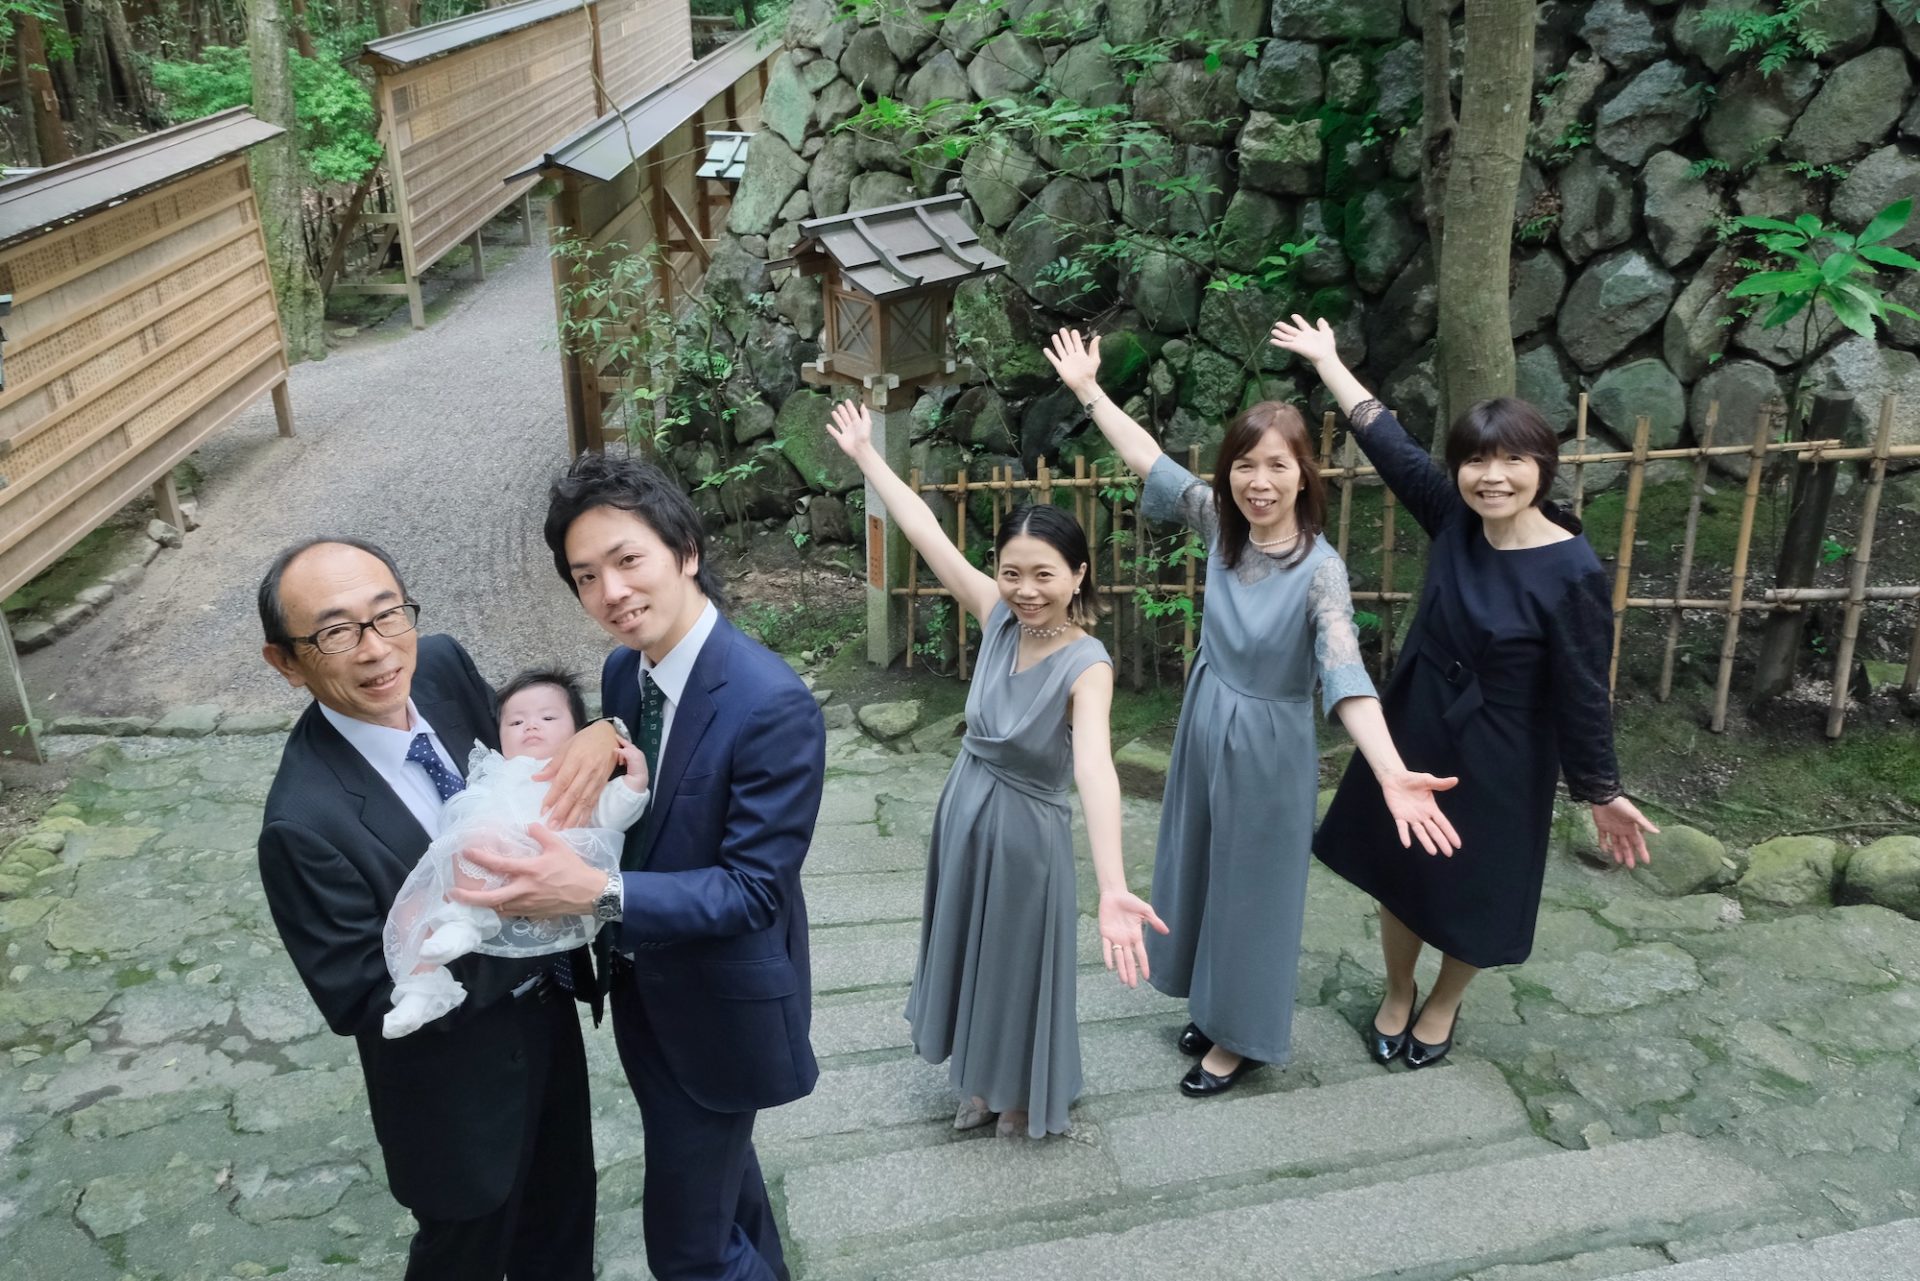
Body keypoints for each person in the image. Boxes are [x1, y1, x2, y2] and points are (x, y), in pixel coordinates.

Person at [1044, 328, 1461, 1098]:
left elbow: (1346, 675)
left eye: (1277, 465)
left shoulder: (1321, 572)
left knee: (1253, 889)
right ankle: (1211, 1000)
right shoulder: (1218, 528)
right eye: (1245, 463)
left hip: (1270, 745)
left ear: (1305, 477)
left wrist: (1393, 770)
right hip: (1207, 720)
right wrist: (1089, 392)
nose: (1258, 481)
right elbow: (1148, 459)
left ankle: (1240, 1036)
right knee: (1197, 864)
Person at [452, 455, 824, 1281]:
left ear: (685, 548)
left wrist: (600, 891)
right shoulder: (627, 670)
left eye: (627, 560)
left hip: (721, 1008)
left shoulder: (773, 705)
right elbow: (642, 745)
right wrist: (605, 729)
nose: (611, 592)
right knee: (730, 1198)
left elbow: (754, 888)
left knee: (688, 1253)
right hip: (645, 998)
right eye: (586, 576)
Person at [1271, 314, 1659, 1070]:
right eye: (1477, 462)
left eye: (1513, 460)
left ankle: (1443, 1000)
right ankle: (1395, 988)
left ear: (1544, 466)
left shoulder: (1573, 570)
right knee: (1401, 868)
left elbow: (1581, 690)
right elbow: (1386, 439)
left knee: (1474, 886)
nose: (1494, 477)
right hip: (1417, 723)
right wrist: (1327, 362)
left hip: (1506, 749)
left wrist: (1601, 788)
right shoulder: (1454, 517)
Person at [255, 538, 612, 1280]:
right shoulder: (304, 822)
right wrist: (529, 918)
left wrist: (598, 736)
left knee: (565, 1229)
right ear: (286, 662)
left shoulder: (442, 664)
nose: (377, 649)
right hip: (456, 1095)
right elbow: (360, 995)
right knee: (466, 1256)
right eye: (335, 632)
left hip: (547, 1030)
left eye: (388, 614)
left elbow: (522, 764)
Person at [824, 399, 1169, 1139]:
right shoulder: (995, 615)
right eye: (1013, 572)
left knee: (1014, 964)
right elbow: (923, 529)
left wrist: (1113, 885)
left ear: (1078, 574)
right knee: (967, 946)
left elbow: (1098, 771)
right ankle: (975, 1080)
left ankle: (1020, 1087)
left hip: (1027, 835)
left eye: (1044, 574)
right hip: (965, 811)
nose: (1026, 589)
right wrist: (866, 458)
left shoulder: (1088, 664)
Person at [383, 669, 651, 1038]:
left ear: (578, 732)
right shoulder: (495, 770)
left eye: (548, 717)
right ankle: (419, 990)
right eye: (516, 721)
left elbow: (609, 815)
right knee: (414, 906)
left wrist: (633, 785)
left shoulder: (575, 774)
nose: (531, 727)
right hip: (475, 871)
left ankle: (467, 920)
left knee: (483, 837)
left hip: (549, 867)